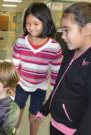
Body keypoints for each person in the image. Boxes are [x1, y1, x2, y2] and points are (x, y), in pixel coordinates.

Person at [36, 2, 91, 135]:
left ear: (88, 29)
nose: (62, 36)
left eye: (67, 30)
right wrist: (45, 109)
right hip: (55, 123)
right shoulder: (70, 53)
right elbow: (60, 85)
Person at [12, 2, 63, 135]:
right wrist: (13, 84)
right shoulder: (20, 42)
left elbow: (55, 74)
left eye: (36, 24)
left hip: (40, 88)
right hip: (21, 84)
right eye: (28, 24)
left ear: (45, 22)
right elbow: (15, 65)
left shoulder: (54, 47)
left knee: (33, 117)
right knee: (17, 112)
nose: (31, 27)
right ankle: (14, 131)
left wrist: (51, 95)